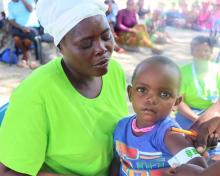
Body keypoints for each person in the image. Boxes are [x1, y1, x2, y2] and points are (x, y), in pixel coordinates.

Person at [0, 0, 129, 175]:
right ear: (61, 47)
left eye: (106, 36)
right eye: (86, 43)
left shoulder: (114, 72)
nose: (102, 49)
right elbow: (9, 171)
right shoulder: (36, 94)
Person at [110, 56, 207, 176]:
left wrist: (183, 171)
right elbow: (116, 162)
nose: (151, 99)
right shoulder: (121, 127)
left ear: (176, 103)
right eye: (142, 90)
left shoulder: (169, 134)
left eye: (164, 94)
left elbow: (198, 165)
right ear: (130, 94)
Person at [176, 36, 220, 130]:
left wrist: (208, 117)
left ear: (212, 52)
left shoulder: (218, 70)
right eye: (198, 50)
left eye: (206, 50)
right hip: (189, 113)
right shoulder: (183, 71)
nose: (202, 53)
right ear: (192, 52)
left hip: (212, 112)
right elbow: (179, 102)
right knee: (183, 137)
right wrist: (198, 119)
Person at [7, 0, 40, 68]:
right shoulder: (10, 4)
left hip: (32, 27)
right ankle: (26, 55)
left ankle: (24, 58)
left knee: (27, 41)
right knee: (16, 39)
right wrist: (22, 28)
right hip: (19, 28)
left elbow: (30, 9)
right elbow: (11, 20)